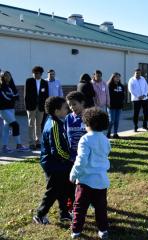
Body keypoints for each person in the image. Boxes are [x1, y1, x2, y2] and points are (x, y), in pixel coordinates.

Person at [70, 107, 110, 239]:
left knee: (79, 207)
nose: (84, 126)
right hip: (101, 181)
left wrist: (73, 174)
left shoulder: (85, 139)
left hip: (85, 181)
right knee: (101, 207)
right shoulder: (105, 139)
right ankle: (103, 230)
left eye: (85, 123)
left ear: (90, 124)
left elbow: (81, 160)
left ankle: (76, 231)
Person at [33, 96, 72, 225]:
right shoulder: (54, 125)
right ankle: (40, 214)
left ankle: (64, 213)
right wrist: (70, 158)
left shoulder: (55, 121)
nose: (68, 109)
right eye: (65, 108)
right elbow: (57, 150)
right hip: (53, 164)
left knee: (64, 188)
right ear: (56, 111)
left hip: (59, 164)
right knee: (53, 191)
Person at [0, 71, 29, 152]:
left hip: (11, 109)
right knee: (15, 125)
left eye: (9, 75)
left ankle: (4, 147)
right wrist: (12, 97)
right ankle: (19, 145)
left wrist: (12, 97)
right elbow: (6, 98)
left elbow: (16, 97)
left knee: (6, 128)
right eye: (5, 76)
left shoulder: (11, 85)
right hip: (3, 110)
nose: (8, 77)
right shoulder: (1, 86)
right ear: (2, 77)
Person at [24, 66, 49, 150]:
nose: (35, 74)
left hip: (41, 107)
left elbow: (46, 95)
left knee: (39, 125)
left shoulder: (44, 82)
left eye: (37, 73)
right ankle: (31, 142)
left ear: (41, 74)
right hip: (31, 106)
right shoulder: (29, 81)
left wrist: (46, 107)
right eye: (34, 73)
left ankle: (38, 141)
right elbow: (26, 95)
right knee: (31, 124)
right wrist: (27, 106)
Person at [107, 72, 125, 139]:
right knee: (111, 120)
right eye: (116, 77)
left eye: (119, 77)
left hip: (119, 106)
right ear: (113, 77)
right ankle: (108, 133)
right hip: (111, 106)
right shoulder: (109, 85)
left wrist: (122, 103)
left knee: (117, 121)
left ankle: (115, 133)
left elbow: (123, 95)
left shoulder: (121, 86)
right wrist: (108, 104)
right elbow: (107, 96)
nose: (118, 78)